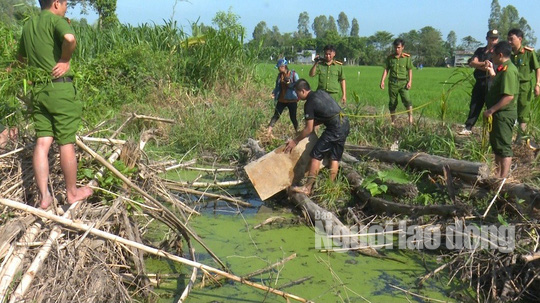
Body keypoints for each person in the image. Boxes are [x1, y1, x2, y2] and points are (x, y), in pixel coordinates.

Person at [17, 0, 92, 209]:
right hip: (60, 89)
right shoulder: (55, 21)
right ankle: (72, 193)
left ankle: (44, 196)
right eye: (66, 3)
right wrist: (64, 59)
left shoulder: (29, 25)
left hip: (38, 91)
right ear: (56, 3)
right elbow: (69, 38)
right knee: (66, 142)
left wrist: (30, 75)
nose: (66, 7)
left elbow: (21, 59)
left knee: (42, 142)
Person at [284, 79, 350, 195]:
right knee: (334, 157)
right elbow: (326, 113)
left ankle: (307, 188)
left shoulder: (309, 103)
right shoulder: (321, 93)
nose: (296, 95)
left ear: (303, 91)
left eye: (297, 92)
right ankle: (330, 188)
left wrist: (295, 141)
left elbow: (309, 129)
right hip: (344, 123)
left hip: (334, 128)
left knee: (315, 156)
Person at [483, 41, 519, 178]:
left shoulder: (509, 70)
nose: (492, 57)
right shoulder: (502, 69)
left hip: (503, 114)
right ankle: (497, 175)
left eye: (494, 54)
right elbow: (498, 83)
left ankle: (503, 179)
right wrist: (491, 70)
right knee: (497, 146)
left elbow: (508, 96)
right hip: (499, 115)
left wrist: (491, 110)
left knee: (503, 147)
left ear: (501, 54)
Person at [459, 30, 500, 135]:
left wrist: (480, 65)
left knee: (491, 106)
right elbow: (472, 62)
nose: (493, 41)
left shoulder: (498, 53)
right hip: (480, 81)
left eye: (495, 38)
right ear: (487, 38)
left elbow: (492, 67)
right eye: (491, 38)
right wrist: (483, 64)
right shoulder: (480, 51)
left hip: (491, 82)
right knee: (475, 105)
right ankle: (468, 127)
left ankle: (491, 129)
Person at [507, 28, 540, 141]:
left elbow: (537, 68)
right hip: (511, 86)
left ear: (519, 39)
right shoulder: (508, 54)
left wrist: (537, 84)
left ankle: (520, 140)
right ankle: (508, 137)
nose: (509, 42)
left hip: (524, 86)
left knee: (523, 114)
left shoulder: (528, 53)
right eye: (508, 39)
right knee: (509, 110)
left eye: (512, 39)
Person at [380, 38, 414, 125]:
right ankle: (393, 121)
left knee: (407, 100)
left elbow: (410, 70)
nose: (397, 49)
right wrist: (382, 81)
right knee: (392, 102)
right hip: (393, 83)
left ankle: (410, 119)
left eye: (398, 47)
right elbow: (386, 70)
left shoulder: (407, 58)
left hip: (403, 83)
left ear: (403, 47)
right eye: (395, 47)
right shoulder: (390, 58)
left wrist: (410, 81)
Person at [267, 58, 299, 136]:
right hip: (282, 99)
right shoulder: (279, 76)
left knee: (293, 118)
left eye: (279, 67)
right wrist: (273, 93)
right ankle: (268, 132)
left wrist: (289, 83)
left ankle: (297, 132)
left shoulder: (293, 74)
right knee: (276, 115)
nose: (278, 69)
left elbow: (298, 85)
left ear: (283, 66)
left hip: (291, 100)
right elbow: (277, 87)